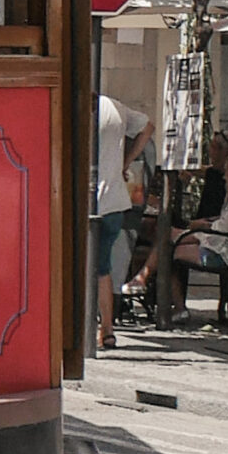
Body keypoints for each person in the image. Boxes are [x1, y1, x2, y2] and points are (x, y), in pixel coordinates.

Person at [142, 152, 228, 306]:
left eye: (227, 174)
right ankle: (145, 280)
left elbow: (225, 227)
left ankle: (167, 298)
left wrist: (202, 226)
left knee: (167, 250)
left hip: (224, 253)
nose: (224, 178)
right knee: (167, 237)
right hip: (226, 246)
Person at [92, 94, 152, 350]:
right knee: (101, 268)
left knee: (81, 267)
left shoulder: (81, 107)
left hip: (90, 201)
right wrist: (124, 162)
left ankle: (84, 326)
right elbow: (148, 127)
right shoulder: (116, 106)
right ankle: (106, 329)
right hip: (115, 200)